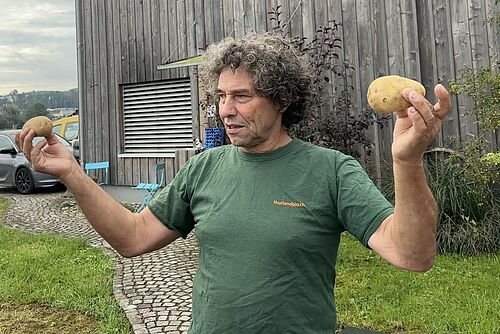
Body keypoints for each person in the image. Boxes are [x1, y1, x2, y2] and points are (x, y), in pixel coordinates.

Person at [17, 33, 452, 333]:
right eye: (221, 96)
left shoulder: (331, 170)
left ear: (282, 100)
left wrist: (407, 161)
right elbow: (132, 237)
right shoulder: (206, 167)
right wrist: (72, 174)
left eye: (241, 96)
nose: (225, 110)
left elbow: (411, 254)